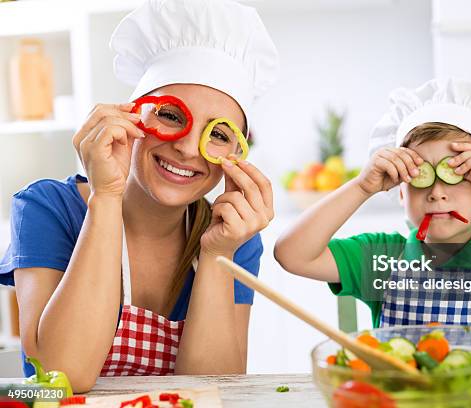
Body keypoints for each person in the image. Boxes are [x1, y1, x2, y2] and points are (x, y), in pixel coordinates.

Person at [0, 0, 279, 392]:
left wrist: (217, 255)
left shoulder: (233, 237)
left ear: (234, 157)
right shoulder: (46, 208)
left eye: (216, 134)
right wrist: (106, 197)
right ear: (130, 117)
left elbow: (215, 387)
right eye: (170, 115)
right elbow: (63, 375)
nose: (186, 148)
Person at [274, 78, 471, 335]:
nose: (437, 192)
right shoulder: (381, 258)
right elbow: (292, 255)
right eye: (419, 175)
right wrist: (362, 186)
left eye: (457, 172)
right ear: (400, 192)